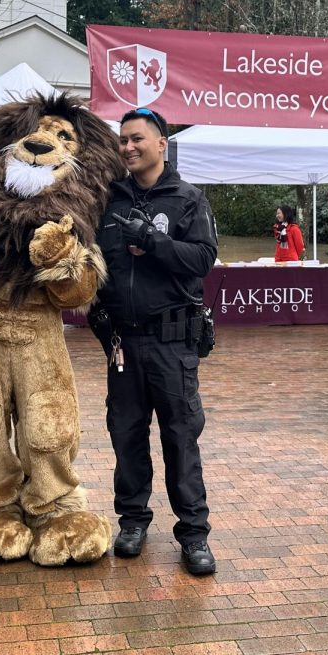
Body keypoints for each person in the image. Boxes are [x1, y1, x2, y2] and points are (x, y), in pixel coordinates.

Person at [94, 107, 219, 576]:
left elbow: (202, 259)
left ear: (162, 143)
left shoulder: (187, 199)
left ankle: (194, 535)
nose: (127, 147)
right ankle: (132, 521)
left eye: (137, 139)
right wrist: (95, 310)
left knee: (181, 438)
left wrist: (152, 240)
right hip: (122, 345)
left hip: (172, 344)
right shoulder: (108, 199)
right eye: (123, 140)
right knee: (125, 435)